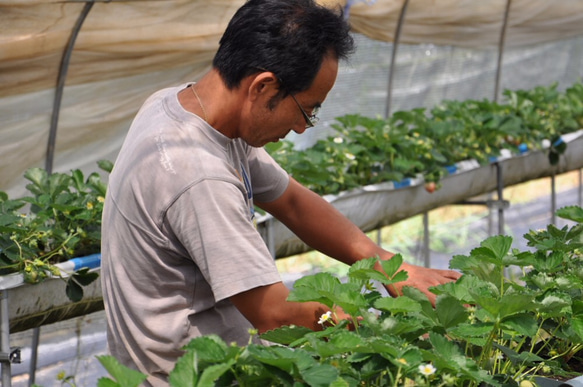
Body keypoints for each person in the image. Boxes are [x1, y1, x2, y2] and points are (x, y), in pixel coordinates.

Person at [101, 0, 461, 385]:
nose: (304, 128)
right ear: (263, 86)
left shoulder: (183, 108)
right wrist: (394, 325)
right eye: (306, 110)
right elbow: (274, 314)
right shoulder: (199, 177)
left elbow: (292, 202)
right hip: (190, 377)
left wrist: (387, 263)